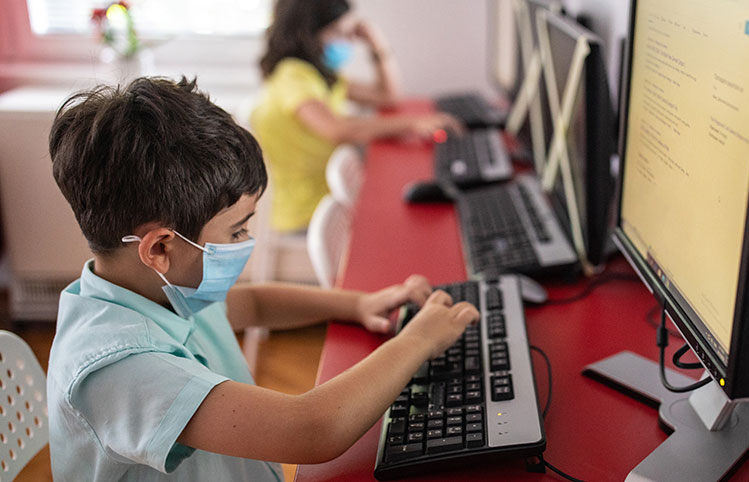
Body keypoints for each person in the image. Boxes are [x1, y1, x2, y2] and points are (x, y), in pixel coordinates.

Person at [46, 77, 478, 481]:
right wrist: (419, 340)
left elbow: (252, 304)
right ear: (159, 248)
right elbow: (313, 429)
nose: (245, 241)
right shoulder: (117, 369)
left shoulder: (157, 289)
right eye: (236, 230)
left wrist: (356, 304)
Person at [252, 0, 461, 232]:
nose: (348, 41)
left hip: (334, 195)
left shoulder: (320, 75)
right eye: (340, 33)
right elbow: (337, 129)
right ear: (309, 34)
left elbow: (388, 96)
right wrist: (413, 124)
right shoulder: (293, 76)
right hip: (312, 210)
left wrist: (377, 44)